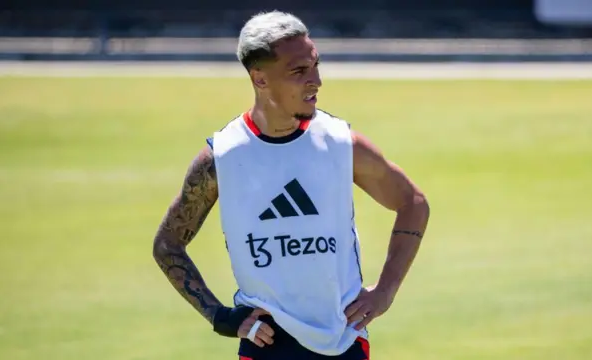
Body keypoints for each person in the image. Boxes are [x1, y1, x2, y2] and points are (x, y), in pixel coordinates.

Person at [152, 10, 430, 360]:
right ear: (260, 79)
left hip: (342, 342)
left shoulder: (341, 144)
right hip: (265, 344)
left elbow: (413, 203)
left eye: (315, 65)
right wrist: (221, 317)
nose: (316, 81)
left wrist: (385, 291)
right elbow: (168, 245)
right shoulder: (221, 158)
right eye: (299, 71)